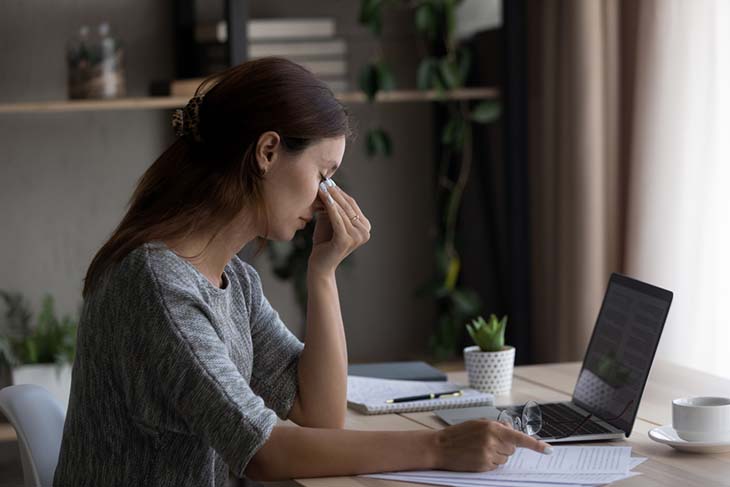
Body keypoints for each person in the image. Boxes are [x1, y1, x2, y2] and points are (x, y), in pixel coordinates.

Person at [53, 57, 550, 487]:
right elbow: (265, 452)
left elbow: (320, 417)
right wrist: (439, 447)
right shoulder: (157, 286)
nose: (324, 200)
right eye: (323, 174)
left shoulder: (234, 283)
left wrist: (323, 272)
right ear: (267, 152)